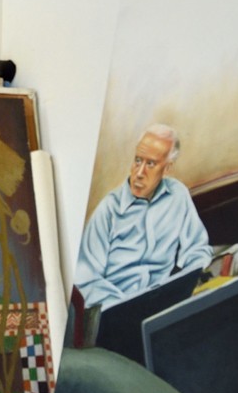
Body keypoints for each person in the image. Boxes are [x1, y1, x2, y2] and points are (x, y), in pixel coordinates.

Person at [72, 123, 211, 309]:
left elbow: (197, 248)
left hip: (164, 304)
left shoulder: (178, 195)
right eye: (138, 160)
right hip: (116, 311)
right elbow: (86, 280)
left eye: (150, 164)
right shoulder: (109, 210)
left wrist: (189, 282)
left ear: (167, 168)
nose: (139, 173)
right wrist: (123, 308)